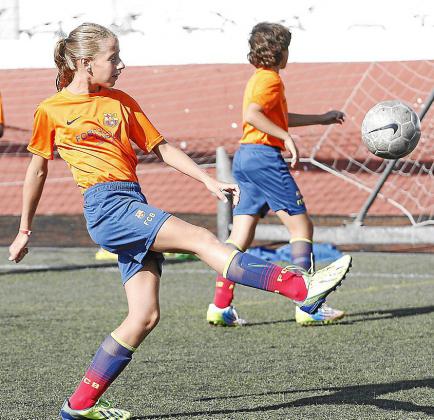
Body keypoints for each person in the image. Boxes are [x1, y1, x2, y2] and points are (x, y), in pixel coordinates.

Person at [8, 23, 351, 419]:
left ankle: (79, 405)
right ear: (86, 63)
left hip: (131, 201)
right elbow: (37, 170)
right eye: (113, 58)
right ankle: (300, 288)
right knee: (201, 239)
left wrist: (207, 179)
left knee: (144, 317)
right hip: (106, 208)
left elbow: (163, 148)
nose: (121, 64)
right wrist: (24, 230)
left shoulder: (121, 101)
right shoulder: (51, 110)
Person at [207, 22, 347, 328]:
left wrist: (320, 118)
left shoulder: (259, 78)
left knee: (239, 237)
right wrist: (285, 137)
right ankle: (308, 305)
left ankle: (220, 306)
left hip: (245, 157)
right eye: (287, 48)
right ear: (278, 51)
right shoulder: (271, 79)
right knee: (301, 226)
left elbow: (274, 117)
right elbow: (253, 115)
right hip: (263, 159)